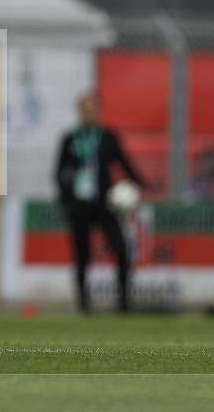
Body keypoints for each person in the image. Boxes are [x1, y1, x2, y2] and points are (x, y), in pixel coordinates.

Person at [55, 92, 145, 313]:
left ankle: (124, 301)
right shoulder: (70, 139)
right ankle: (84, 303)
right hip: (79, 205)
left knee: (121, 248)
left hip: (104, 203)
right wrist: (67, 197)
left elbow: (124, 164)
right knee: (81, 254)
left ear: (98, 112)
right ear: (80, 112)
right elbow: (59, 171)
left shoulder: (107, 138)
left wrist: (141, 185)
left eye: (92, 109)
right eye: (84, 110)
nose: (88, 114)